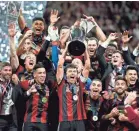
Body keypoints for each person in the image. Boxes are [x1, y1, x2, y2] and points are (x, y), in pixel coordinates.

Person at [56, 42, 90, 131]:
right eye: (70, 71)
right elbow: (60, 65)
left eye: (74, 71)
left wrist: (85, 49)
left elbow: (87, 66)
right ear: (66, 74)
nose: (72, 73)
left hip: (79, 120)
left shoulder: (80, 82)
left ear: (77, 73)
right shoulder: (61, 83)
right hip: (64, 120)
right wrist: (67, 47)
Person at [23, 62, 50, 131]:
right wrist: (29, 92)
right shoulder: (28, 85)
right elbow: (20, 100)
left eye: (44, 73)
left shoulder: (48, 87)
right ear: (34, 75)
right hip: (29, 121)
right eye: (40, 73)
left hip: (43, 121)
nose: (42, 75)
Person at [0, 62, 22, 131]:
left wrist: (17, 84)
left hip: (11, 118)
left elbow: (21, 97)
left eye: (10, 70)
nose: (8, 72)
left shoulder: (13, 83)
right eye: (5, 70)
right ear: (0, 71)